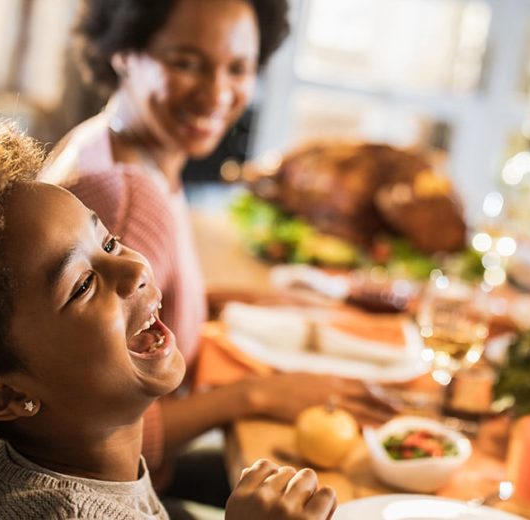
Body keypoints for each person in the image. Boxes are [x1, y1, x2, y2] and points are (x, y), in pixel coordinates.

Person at [41, 0, 394, 511]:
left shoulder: (123, 150)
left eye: (238, 68)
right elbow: (86, 428)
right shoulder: (126, 199)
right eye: (186, 63)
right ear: (124, 52)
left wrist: (243, 301)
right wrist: (260, 394)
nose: (216, 93)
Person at [0, 111, 337, 520]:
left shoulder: (42, 453)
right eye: (83, 286)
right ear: (3, 397)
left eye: (110, 242)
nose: (136, 269)